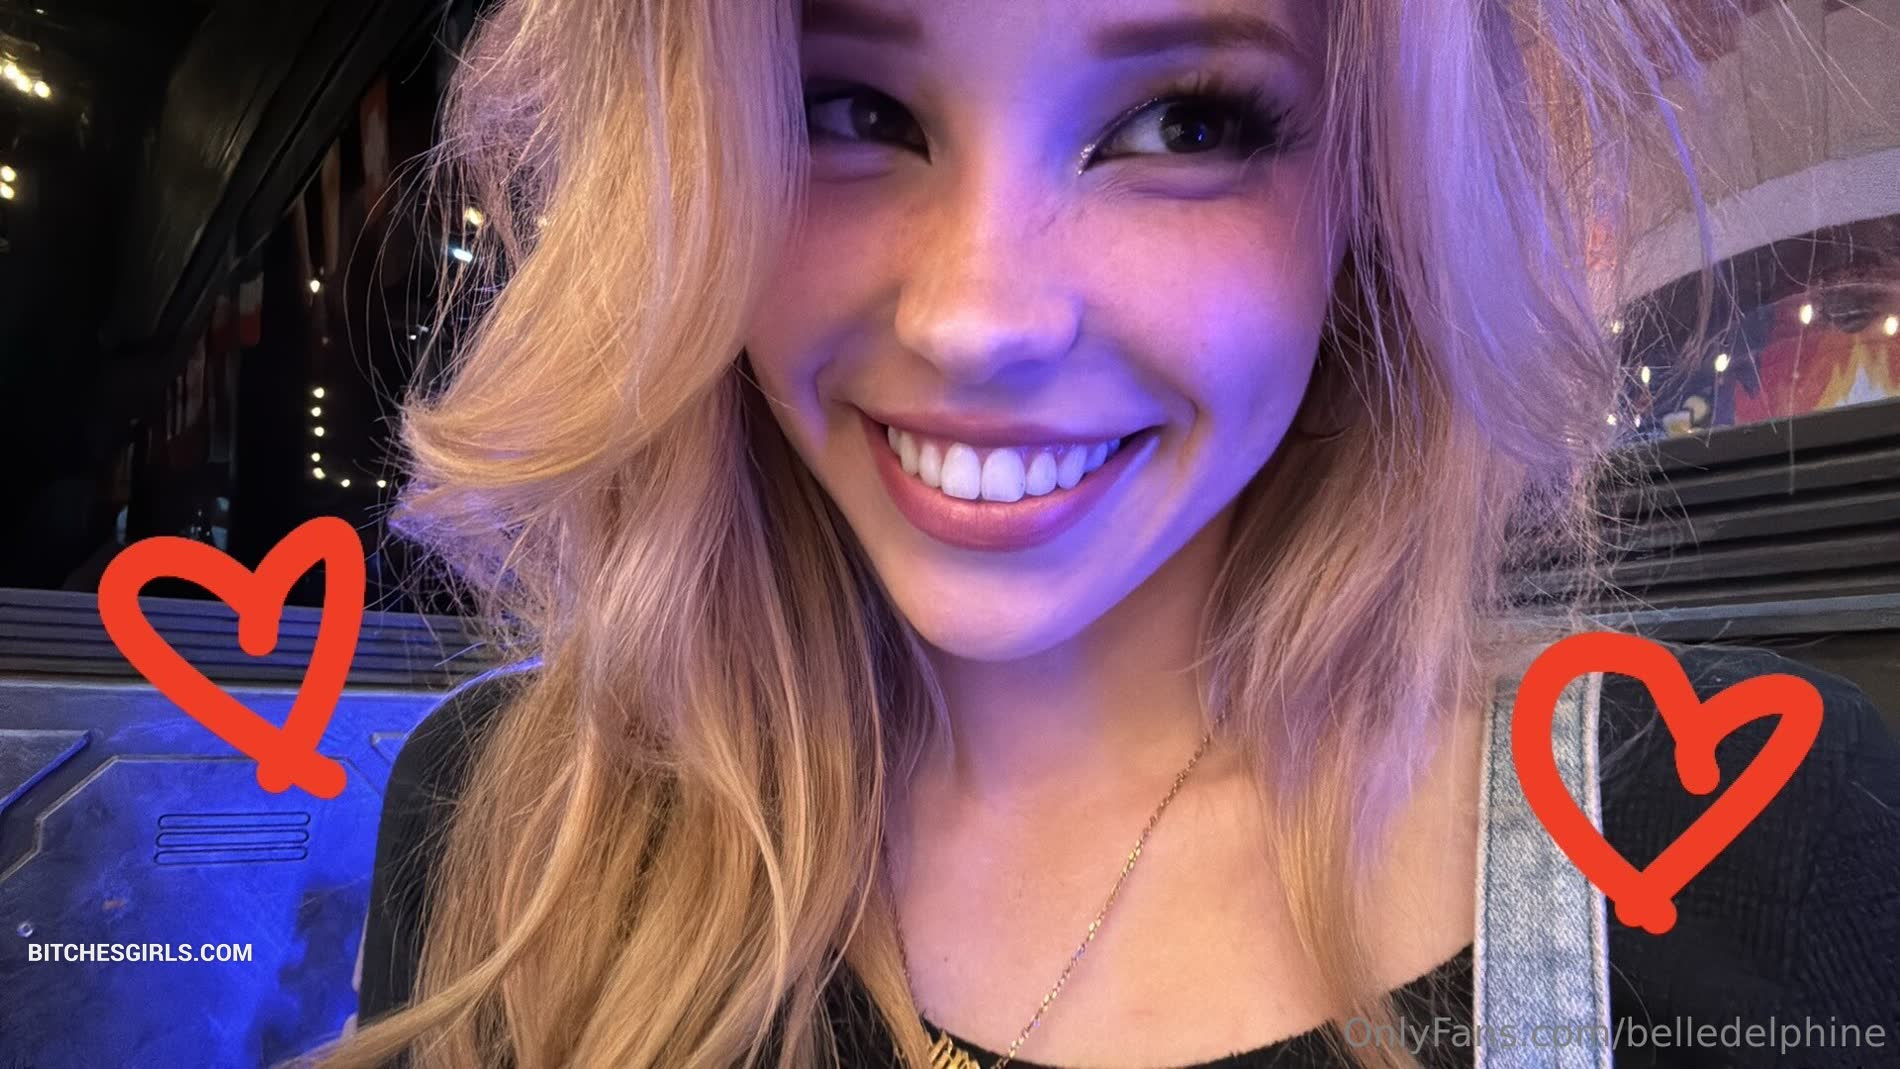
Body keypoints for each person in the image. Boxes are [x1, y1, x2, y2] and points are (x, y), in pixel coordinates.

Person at [299, 1, 1900, 1067]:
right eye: (849, 106)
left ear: (1385, 185)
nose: (978, 317)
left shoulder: (1750, 845)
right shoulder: (519, 835)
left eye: (1186, 123)